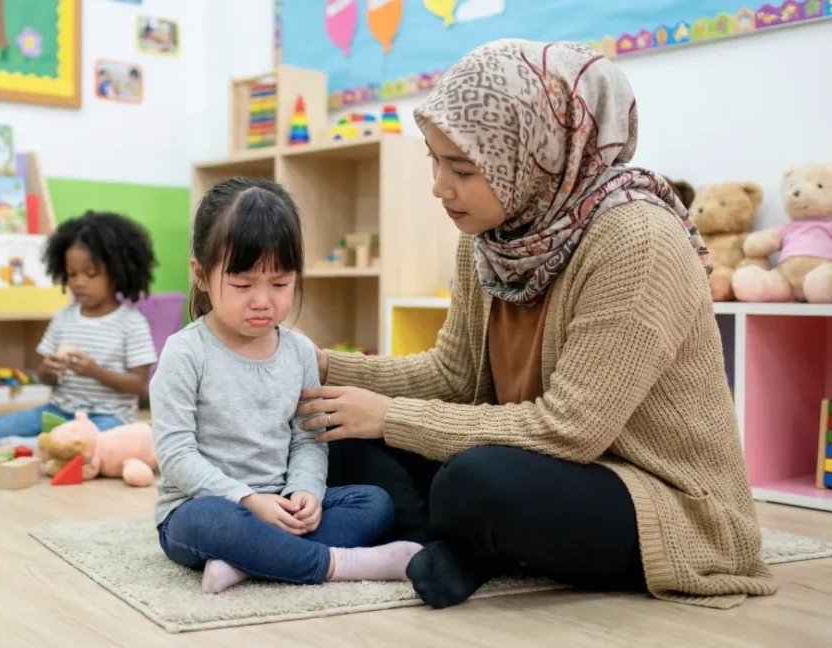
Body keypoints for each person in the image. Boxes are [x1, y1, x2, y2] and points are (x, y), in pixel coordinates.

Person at [295, 39, 778, 610]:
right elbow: (452, 374)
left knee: (475, 484)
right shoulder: (491, 237)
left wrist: (392, 415)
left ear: (538, 156)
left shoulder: (636, 241)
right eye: (434, 158)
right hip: (541, 461)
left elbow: (572, 430)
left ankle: (461, 540)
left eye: (463, 168)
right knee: (338, 433)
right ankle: (438, 550)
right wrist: (328, 367)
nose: (438, 187)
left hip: (658, 495)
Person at [151, 177, 421, 594]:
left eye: (280, 284)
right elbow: (175, 455)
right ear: (201, 275)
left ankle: (248, 562)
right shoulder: (185, 352)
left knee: (373, 502)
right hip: (207, 506)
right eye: (242, 285)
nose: (263, 301)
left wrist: (305, 492)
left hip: (280, 502)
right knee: (209, 521)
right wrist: (247, 500)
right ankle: (337, 564)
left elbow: (309, 441)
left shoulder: (298, 352)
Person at [0, 211, 158, 447]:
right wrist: (48, 371)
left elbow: (139, 385)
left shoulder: (132, 322)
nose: (79, 282)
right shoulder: (63, 318)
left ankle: (37, 446)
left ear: (117, 273)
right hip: (59, 411)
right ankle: (34, 444)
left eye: (91, 274)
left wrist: (94, 371)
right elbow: (45, 377)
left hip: (108, 419)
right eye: (72, 274)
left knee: (95, 443)